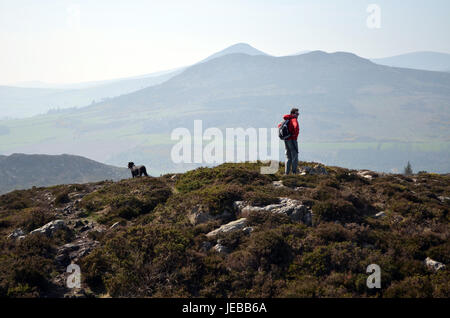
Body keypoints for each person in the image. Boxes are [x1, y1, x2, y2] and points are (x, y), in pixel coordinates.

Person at [282, 108, 299, 174]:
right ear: (292, 114)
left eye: (298, 114)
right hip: (292, 140)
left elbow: (279, 126)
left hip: (286, 139)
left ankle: (286, 173)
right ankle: (294, 172)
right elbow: (295, 125)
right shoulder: (293, 120)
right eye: (296, 114)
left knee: (288, 156)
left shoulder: (287, 119)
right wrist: (295, 131)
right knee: (295, 156)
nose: (297, 115)